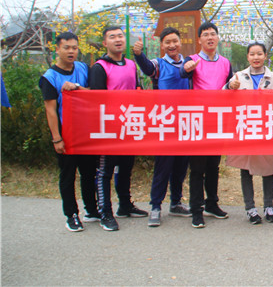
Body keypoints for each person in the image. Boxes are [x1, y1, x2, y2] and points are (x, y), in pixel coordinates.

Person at [132, 27, 192, 227]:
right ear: (162, 45)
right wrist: (138, 55)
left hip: (185, 122)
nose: (172, 45)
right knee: (163, 167)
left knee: (181, 166)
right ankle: (156, 206)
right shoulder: (159, 64)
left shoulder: (188, 63)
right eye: (167, 42)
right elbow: (147, 68)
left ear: (180, 43)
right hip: (165, 123)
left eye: (175, 41)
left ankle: (176, 203)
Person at [90, 26, 147, 231]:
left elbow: (136, 90)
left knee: (126, 167)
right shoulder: (100, 67)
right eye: (112, 37)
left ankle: (125, 205)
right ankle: (105, 212)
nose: (117, 40)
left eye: (120, 36)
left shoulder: (131, 64)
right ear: (105, 43)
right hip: (109, 128)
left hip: (129, 125)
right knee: (105, 171)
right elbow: (96, 101)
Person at [39, 32, 98, 232]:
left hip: (86, 132)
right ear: (57, 49)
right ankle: (71, 215)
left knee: (89, 173)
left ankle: (92, 210)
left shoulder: (83, 68)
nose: (71, 51)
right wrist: (57, 139)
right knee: (68, 176)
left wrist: (78, 88)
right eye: (67, 48)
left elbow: (95, 93)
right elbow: (50, 110)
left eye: (74, 47)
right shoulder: (50, 77)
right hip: (66, 134)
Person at [180, 21, 233, 228]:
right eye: (205, 34)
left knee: (213, 165)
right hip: (198, 120)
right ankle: (196, 209)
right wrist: (186, 69)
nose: (210, 37)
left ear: (218, 38)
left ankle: (212, 203)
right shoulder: (192, 60)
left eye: (213, 34)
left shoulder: (226, 63)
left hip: (218, 120)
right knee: (197, 167)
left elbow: (230, 86)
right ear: (199, 39)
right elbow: (183, 73)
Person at [225, 42, 273, 225]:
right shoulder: (238, 77)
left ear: (265, 56)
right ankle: (250, 208)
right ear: (248, 57)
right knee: (246, 168)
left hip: (267, 128)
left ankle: (268, 207)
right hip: (245, 128)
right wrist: (229, 86)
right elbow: (223, 96)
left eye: (259, 54)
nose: (256, 57)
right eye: (252, 54)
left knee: (268, 169)